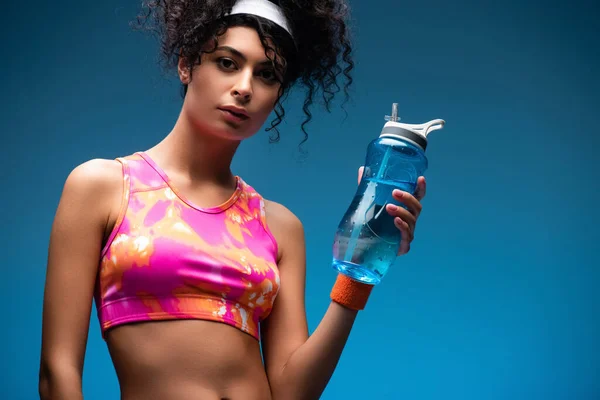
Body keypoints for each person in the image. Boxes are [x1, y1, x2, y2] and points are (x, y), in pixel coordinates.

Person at [38, 0, 426, 399]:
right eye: (227, 63)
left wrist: (360, 266)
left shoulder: (278, 225)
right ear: (187, 64)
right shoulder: (104, 187)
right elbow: (58, 371)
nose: (244, 87)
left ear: (276, 96)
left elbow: (293, 391)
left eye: (267, 75)